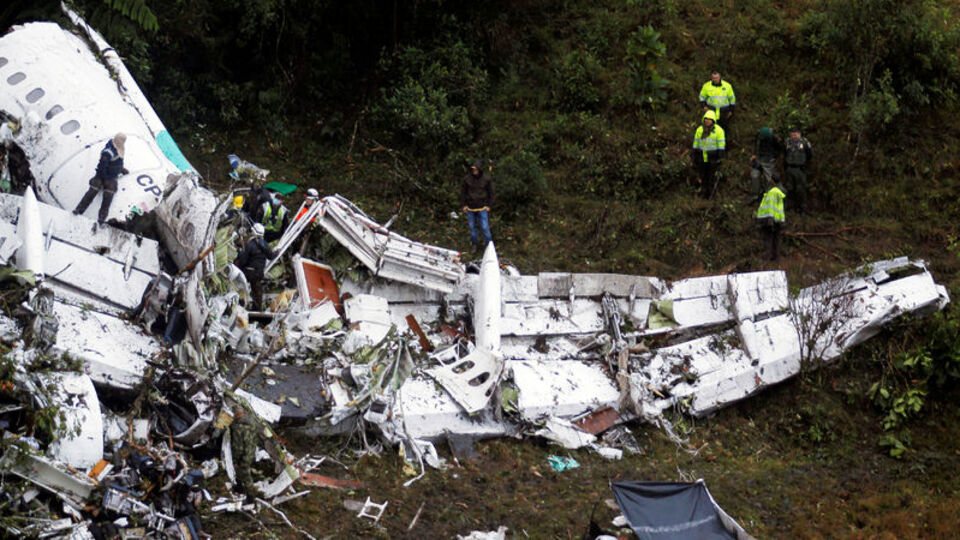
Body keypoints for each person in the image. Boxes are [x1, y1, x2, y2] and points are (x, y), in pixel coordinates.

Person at [74, 133, 128, 223]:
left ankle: (102, 217)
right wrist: (105, 178)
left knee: (108, 197)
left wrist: (120, 169)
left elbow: (116, 162)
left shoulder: (118, 150)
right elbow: (102, 166)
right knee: (93, 191)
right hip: (103, 176)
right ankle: (79, 210)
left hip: (111, 176)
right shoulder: (108, 152)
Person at [234, 223, 275, 311]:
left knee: (239, 286)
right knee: (257, 291)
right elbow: (271, 256)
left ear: (253, 232)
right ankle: (257, 308)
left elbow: (243, 261)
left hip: (249, 272)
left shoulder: (250, 245)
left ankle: (240, 304)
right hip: (259, 273)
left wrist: (239, 256)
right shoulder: (266, 245)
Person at [461, 160, 494, 252]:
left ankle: (489, 246)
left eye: (476, 169)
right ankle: (475, 244)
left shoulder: (486, 179)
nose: (474, 171)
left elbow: (491, 193)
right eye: (473, 169)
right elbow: (463, 193)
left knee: (484, 227)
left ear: (479, 169)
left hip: (482, 207)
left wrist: (489, 205)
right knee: (472, 228)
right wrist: (463, 205)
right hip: (470, 208)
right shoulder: (467, 179)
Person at [692, 110, 726, 198]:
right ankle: (703, 193)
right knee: (703, 176)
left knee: (711, 177)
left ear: (713, 120)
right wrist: (695, 154)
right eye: (706, 119)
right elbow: (696, 143)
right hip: (702, 157)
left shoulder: (719, 131)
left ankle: (711, 194)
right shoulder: (700, 130)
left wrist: (720, 156)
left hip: (712, 157)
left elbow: (721, 144)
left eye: (709, 119)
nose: (707, 121)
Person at [229, 405, 258, 496]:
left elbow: (238, 447)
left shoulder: (239, 427)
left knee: (246, 477)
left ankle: (251, 497)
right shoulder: (251, 422)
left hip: (244, 457)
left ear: (237, 414)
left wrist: (235, 460)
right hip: (251, 453)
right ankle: (242, 491)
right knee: (243, 476)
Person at [756, 176, 786, 261]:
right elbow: (780, 208)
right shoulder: (780, 193)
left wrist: (769, 220)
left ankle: (766, 258)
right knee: (776, 239)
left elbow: (770, 207)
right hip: (778, 219)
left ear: (773, 181)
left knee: (768, 239)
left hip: (770, 219)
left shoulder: (772, 193)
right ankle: (776, 258)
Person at [783, 127, 813, 214]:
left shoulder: (805, 143)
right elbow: (784, 154)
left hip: (800, 168)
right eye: (792, 134)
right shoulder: (787, 142)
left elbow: (809, 155)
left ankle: (803, 208)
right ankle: (790, 206)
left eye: (796, 133)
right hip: (789, 168)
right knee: (789, 188)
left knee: (801, 189)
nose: (794, 135)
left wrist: (804, 164)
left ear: (799, 134)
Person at [750, 127, 782, 203]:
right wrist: (754, 154)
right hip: (759, 158)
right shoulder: (759, 134)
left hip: (769, 159)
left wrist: (774, 156)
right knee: (754, 175)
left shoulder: (774, 137)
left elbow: (779, 148)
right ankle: (755, 195)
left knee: (769, 178)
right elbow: (756, 144)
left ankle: (769, 196)